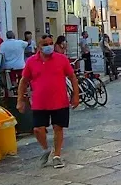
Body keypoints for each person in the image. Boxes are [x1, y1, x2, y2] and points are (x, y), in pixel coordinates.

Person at [16, 34, 80, 169]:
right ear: (38, 47)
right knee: (38, 129)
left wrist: (76, 95)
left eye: (50, 43)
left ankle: (57, 155)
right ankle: (46, 149)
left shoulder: (61, 59)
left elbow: (72, 76)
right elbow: (24, 81)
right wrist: (20, 99)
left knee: (58, 127)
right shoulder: (31, 62)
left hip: (59, 100)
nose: (48, 46)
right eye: (45, 44)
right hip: (40, 102)